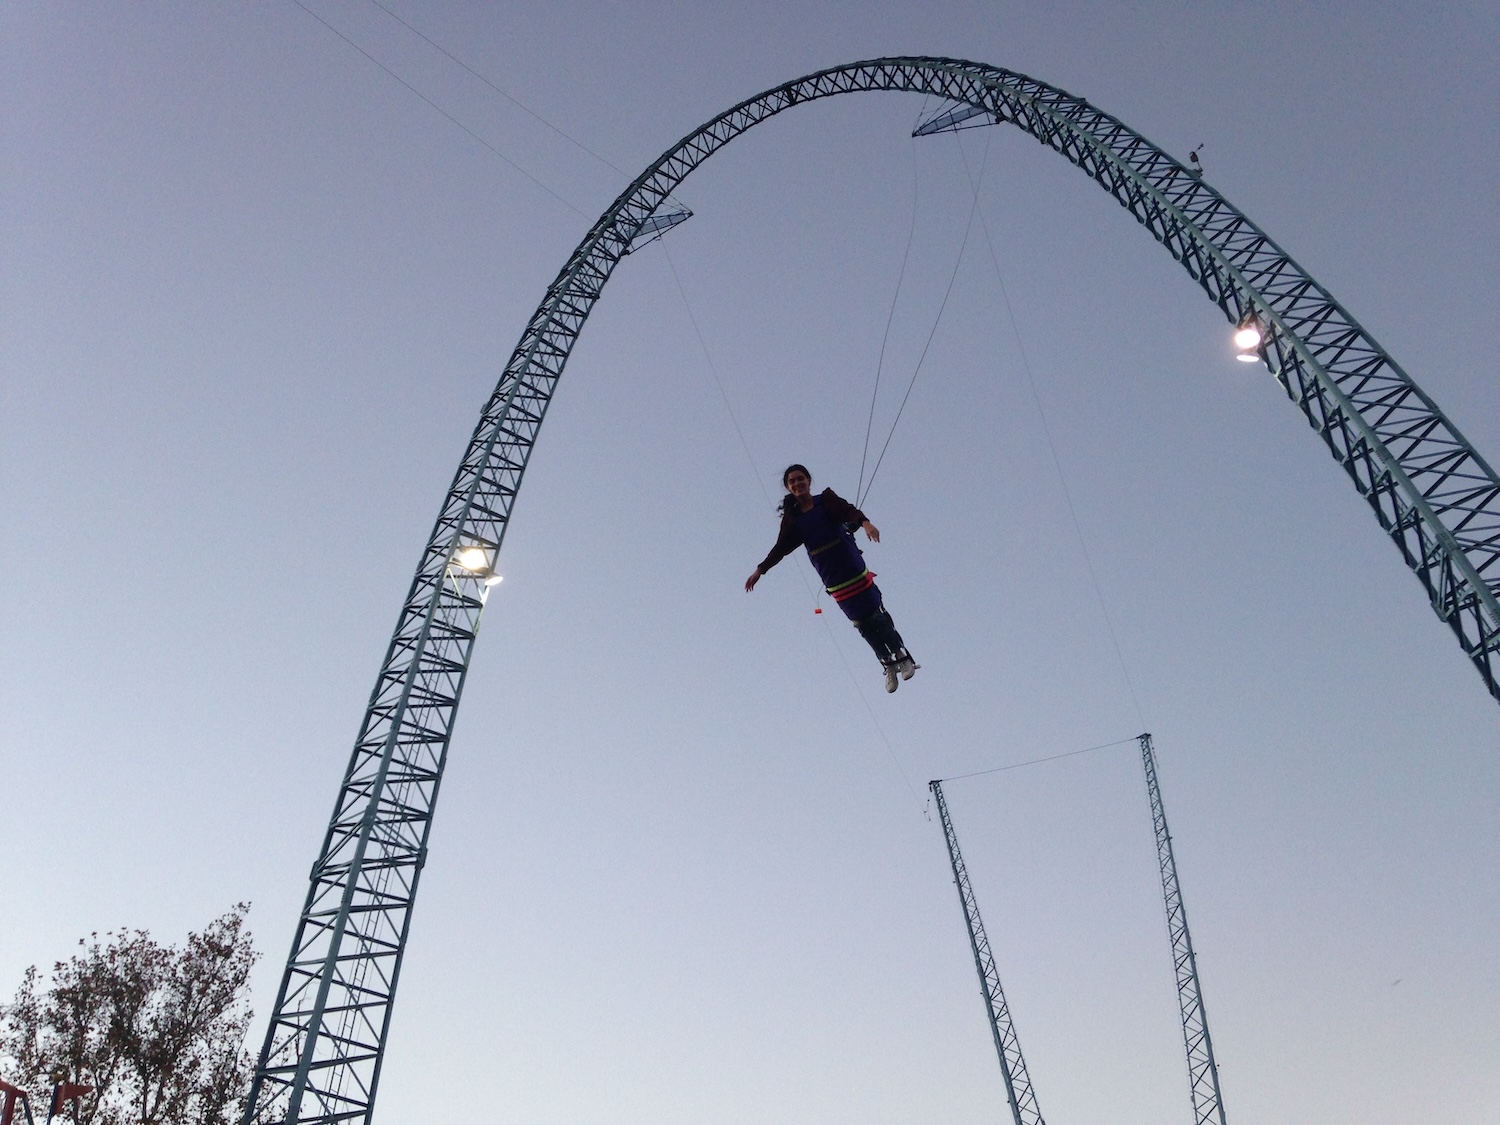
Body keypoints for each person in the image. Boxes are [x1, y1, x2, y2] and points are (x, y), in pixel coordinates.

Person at [745, 464, 918, 693]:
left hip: (851, 568)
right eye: (792, 481)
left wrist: (865, 523)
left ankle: (901, 656)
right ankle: (887, 662)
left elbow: (848, 511)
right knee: (861, 623)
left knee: (875, 615)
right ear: (788, 487)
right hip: (833, 578)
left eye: (800, 479)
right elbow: (781, 547)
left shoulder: (825, 500)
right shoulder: (793, 519)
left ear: (808, 480)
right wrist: (760, 570)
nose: (797, 484)